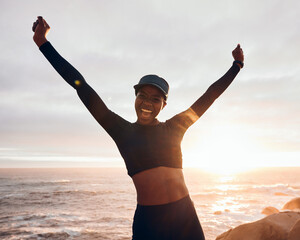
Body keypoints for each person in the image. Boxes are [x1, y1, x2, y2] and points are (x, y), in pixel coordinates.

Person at [32, 16, 244, 240]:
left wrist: (236, 66)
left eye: (155, 99)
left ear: (164, 105)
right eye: (142, 96)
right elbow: (81, 86)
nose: (147, 103)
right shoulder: (121, 131)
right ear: (135, 98)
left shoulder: (176, 127)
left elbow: (209, 96)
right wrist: (43, 44)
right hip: (150, 222)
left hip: (185, 217)